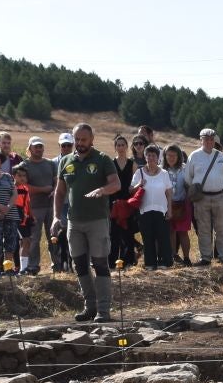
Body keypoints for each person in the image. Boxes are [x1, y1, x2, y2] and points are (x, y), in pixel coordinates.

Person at [56, 123, 120, 320]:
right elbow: (59, 192)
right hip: (74, 222)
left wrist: (102, 190)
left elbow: (116, 184)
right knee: (80, 265)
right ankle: (89, 307)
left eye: (84, 140)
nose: (80, 143)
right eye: (77, 139)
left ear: (92, 139)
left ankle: (103, 310)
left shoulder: (102, 159)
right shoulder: (65, 161)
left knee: (100, 264)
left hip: (97, 221)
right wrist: (56, 217)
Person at [185, 129, 223, 264]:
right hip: (202, 198)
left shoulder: (221, 156)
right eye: (206, 139)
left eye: (211, 139)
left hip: (219, 196)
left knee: (222, 229)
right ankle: (205, 258)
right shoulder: (194, 156)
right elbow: (188, 178)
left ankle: (222, 257)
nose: (209, 142)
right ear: (201, 140)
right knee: (204, 230)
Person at [15, 137, 58, 275]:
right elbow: (22, 185)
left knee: (54, 236)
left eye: (40, 146)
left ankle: (57, 264)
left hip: (51, 206)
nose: (38, 149)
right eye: (36, 147)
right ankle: (33, 266)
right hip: (33, 208)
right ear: (30, 148)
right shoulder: (24, 165)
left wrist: (54, 191)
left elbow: (57, 181)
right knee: (34, 239)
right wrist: (43, 189)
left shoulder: (50, 163)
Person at [133, 144, 176, 270]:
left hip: (161, 210)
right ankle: (150, 263)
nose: (151, 158)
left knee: (163, 236)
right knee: (148, 237)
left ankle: (165, 262)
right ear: (145, 157)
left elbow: (169, 192)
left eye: (154, 155)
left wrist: (170, 210)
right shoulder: (139, 172)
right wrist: (139, 185)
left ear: (158, 158)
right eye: (149, 155)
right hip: (144, 210)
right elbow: (131, 189)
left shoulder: (164, 173)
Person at [106, 133, 138, 269]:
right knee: (113, 233)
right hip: (113, 202)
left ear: (127, 147)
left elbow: (136, 183)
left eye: (123, 145)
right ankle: (112, 261)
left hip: (128, 202)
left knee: (128, 232)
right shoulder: (110, 164)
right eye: (118, 145)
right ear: (115, 147)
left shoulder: (133, 164)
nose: (120, 147)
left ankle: (128, 260)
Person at [163, 144, 193, 265]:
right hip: (166, 205)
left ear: (178, 156)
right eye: (168, 155)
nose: (171, 157)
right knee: (170, 231)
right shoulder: (161, 170)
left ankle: (186, 258)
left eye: (174, 155)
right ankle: (173, 256)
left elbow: (190, 185)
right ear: (164, 156)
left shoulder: (185, 169)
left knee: (183, 232)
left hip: (182, 205)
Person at [50, 132, 74, 271]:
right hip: (60, 204)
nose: (66, 147)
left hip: (74, 204)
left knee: (73, 235)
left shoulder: (77, 160)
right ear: (59, 145)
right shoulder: (53, 163)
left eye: (68, 145)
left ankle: (72, 263)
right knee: (61, 236)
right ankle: (62, 263)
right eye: (63, 145)